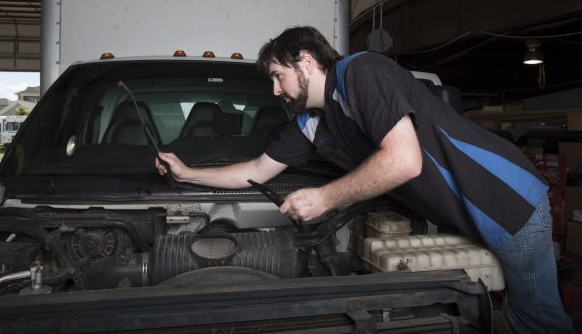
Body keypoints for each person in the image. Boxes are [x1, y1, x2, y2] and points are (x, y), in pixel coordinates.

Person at [156, 26, 573, 333]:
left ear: (305, 61)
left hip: (503, 201)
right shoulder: (313, 122)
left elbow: (404, 161)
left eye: (277, 76)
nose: (275, 90)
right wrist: (188, 172)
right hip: (463, 215)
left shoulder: (361, 73)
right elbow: (257, 171)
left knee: (536, 319)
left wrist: (324, 198)